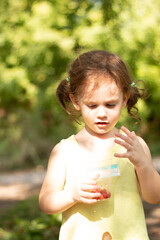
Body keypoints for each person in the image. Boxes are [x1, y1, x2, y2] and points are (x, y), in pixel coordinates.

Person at [39, 50, 160, 240]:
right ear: (75, 101)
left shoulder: (133, 146)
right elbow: (46, 202)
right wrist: (71, 195)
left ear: (124, 99)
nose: (102, 113)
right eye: (92, 106)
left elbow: (154, 196)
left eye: (110, 104)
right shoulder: (64, 152)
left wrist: (143, 164)